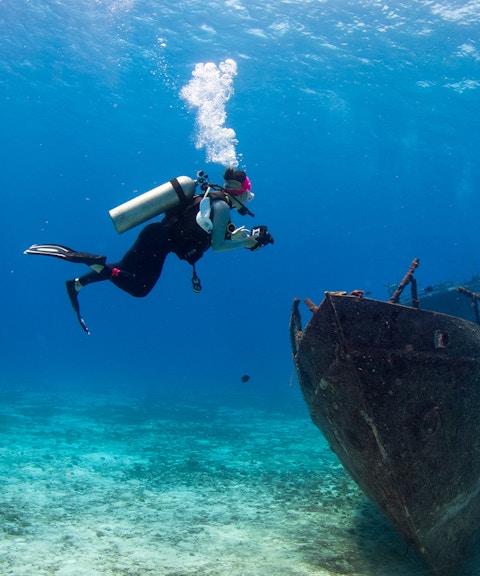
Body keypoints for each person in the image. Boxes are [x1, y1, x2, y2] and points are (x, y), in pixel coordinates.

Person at [24, 168, 274, 334]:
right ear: (240, 192)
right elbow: (218, 246)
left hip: (155, 233)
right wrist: (243, 243)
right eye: (248, 193)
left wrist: (238, 237)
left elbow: (204, 228)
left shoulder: (210, 197)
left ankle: (77, 284)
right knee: (139, 288)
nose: (249, 198)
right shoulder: (223, 208)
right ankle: (93, 261)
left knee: (121, 269)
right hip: (159, 244)